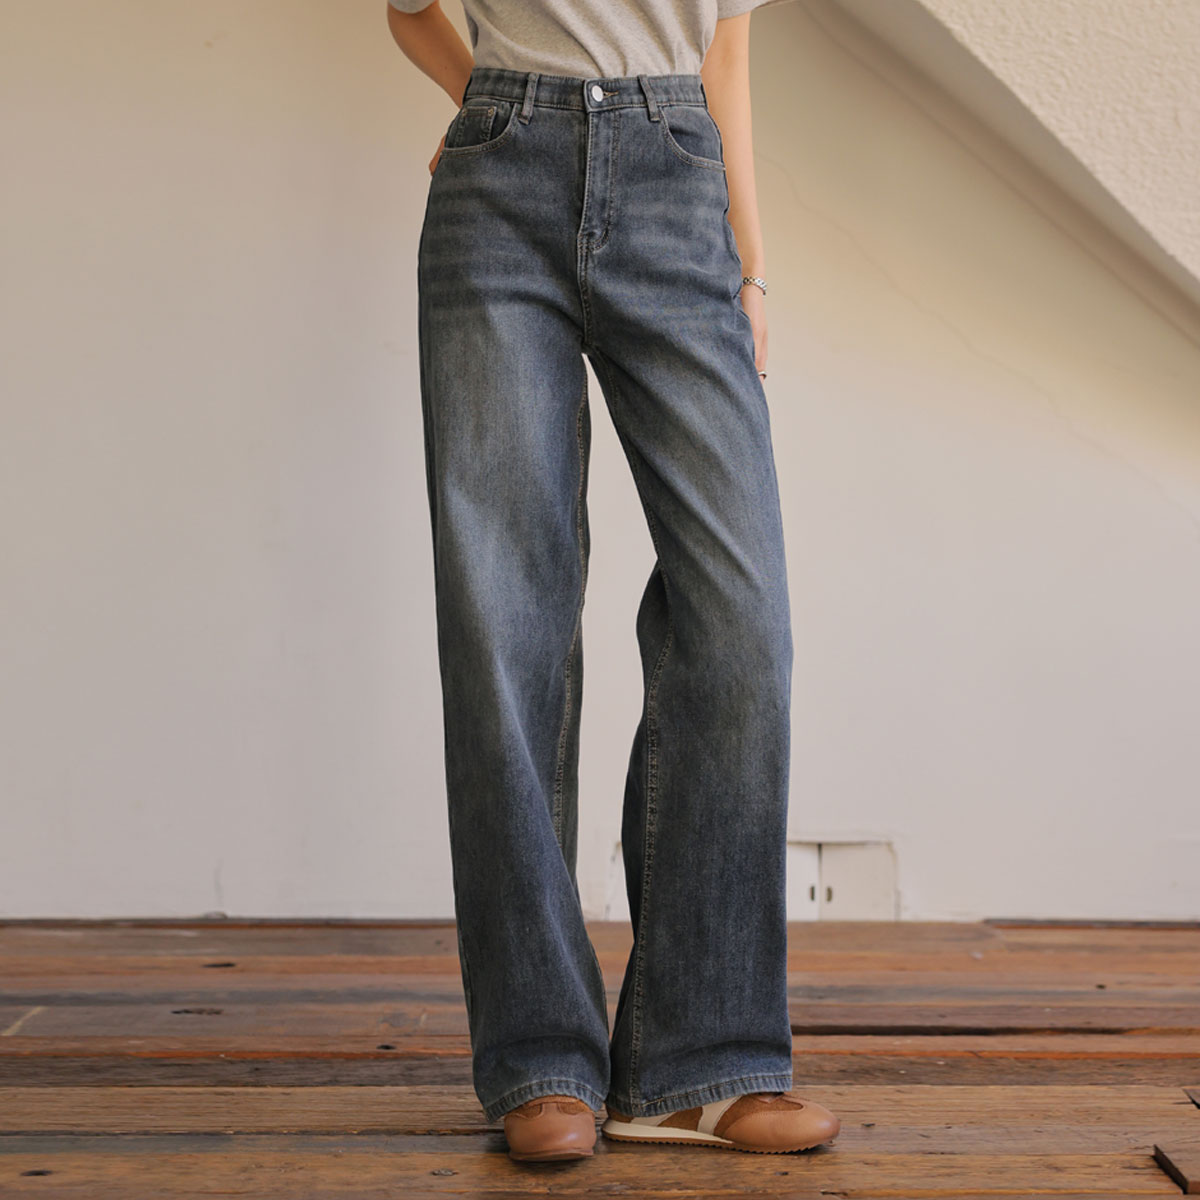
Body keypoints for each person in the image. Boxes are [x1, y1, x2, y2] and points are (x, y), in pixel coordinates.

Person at [386, 0, 842, 1163]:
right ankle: (540, 1061)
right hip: (499, 186)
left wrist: (751, 267)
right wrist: (489, 105)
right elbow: (409, 11)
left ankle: (700, 1065)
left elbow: (726, 49)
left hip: (679, 179)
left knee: (740, 626)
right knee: (504, 626)